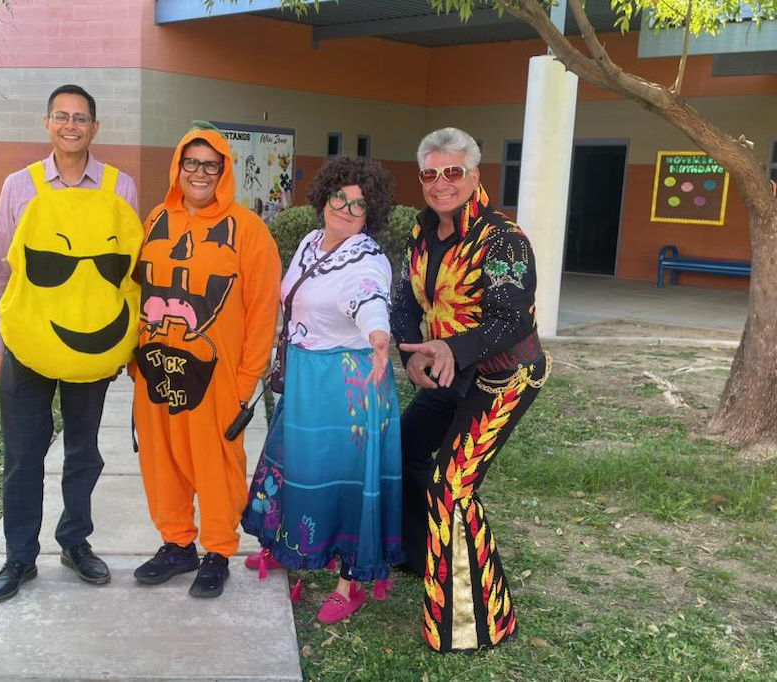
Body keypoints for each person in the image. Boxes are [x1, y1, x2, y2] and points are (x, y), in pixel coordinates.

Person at [0, 84, 143, 602]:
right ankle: (19, 558)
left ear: (95, 127)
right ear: (47, 123)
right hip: (26, 346)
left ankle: (75, 542)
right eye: (61, 116)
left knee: (84, 452)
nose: (71, 125)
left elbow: (131, 275)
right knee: (23, 455)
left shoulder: (122, 188)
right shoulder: (18, 186)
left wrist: (127, 342)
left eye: (81, 118)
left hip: (92, 346)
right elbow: (0, 264)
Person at [391, 127, 549, 652]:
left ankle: (477, 621)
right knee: (404, 451)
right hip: (445, 371)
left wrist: (449, 350)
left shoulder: (503, 239)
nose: (441, 184)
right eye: (431, 174)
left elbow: (511, 319)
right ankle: (425, 556)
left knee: (452, 486)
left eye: (452, 172)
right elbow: (405, 302)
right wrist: (411, 352)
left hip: (504, 375)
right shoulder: (420, 235)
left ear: (475, 175)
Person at [242, 156, 404, 624]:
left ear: (369, 214)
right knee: (296, 464)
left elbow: (370, 299)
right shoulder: (311, 243)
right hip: (307, 375)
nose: (347, 209)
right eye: (340, 197)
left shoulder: (368, 259)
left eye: (359, 204)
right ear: (325, 196)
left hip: (349, 381)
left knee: (344, 480)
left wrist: (378, 336)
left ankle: (349, 581)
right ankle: (286, 546)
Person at [131, 122, 280, 598]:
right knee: (162, 461)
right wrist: (135, 358)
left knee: (216, 465)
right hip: (156, 369)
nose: (199, 173)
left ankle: (217, 550)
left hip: (216, 376)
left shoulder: (249, 231)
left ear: (223, 171)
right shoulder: (156, 218)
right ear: (178, 167)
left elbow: (262, 314)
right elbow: (138, 289)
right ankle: (177, 544)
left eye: (209, 165)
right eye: (190, 162)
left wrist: (244, 381)